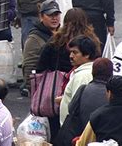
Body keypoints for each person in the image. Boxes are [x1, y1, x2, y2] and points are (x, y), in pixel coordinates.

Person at [36, 8, 101, 139]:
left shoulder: (55, 41)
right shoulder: (92, 42)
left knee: (56, 130)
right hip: (86, 86)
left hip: (56, 89)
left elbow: (40, 66)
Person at [56, 58, 113, 146]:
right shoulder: (112, 93)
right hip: (106, 138)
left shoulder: (83, 89)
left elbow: (71, 109)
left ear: (93, 72)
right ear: (111, 73)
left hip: (81, 136)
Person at [22, 0, 61, 93]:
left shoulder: (62, 34)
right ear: (41, 17)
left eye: (56, 15)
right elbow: (29, 67)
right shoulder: (34, 38)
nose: (54, 18)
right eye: (50, 15)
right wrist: (33, 89)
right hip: (42, 88)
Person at [59, 35, 100, 125]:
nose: (71, 56)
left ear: (87, 54)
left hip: (74, 129)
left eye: (75, 52)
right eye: (70, 52)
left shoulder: (82, 76)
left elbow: (77, 105)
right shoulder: (87, 71)